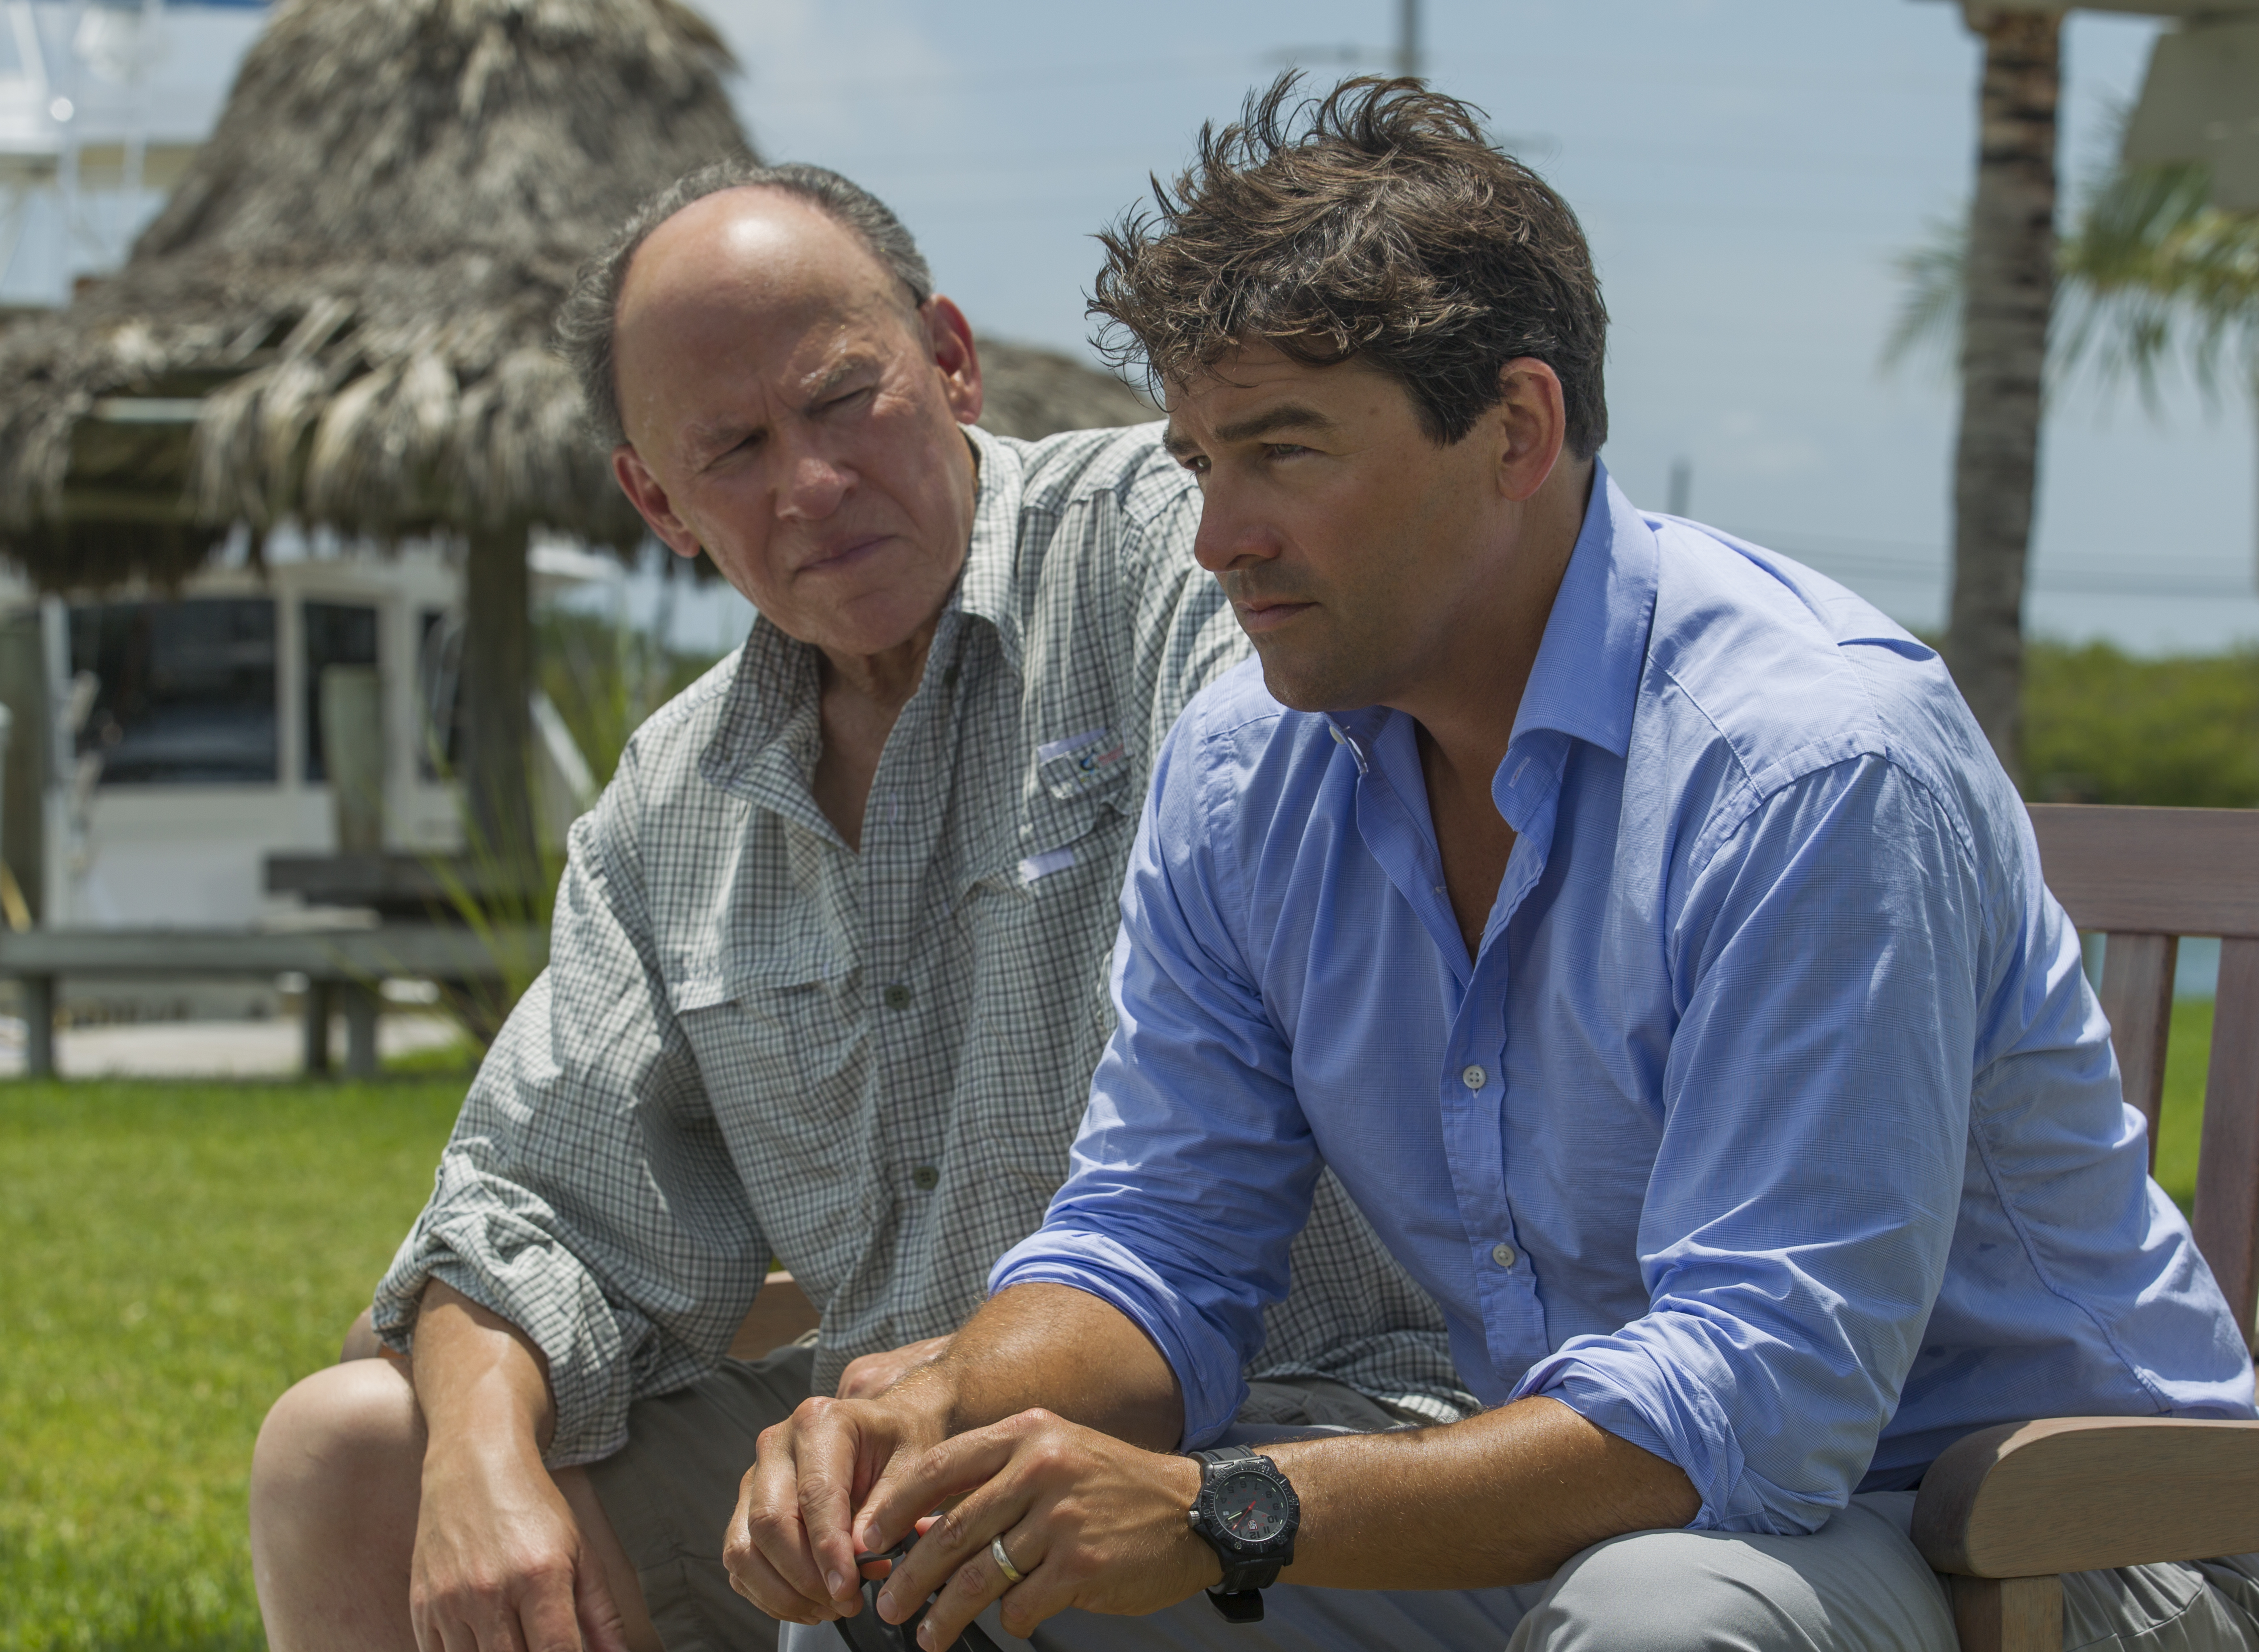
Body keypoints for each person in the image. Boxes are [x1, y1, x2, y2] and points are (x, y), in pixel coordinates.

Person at [728, 80, 2259, 1652]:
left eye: (1286, 453)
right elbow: (1160, 1240)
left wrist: (1226, 1514)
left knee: (1662, 1628)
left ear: (1516, 431)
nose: (1218, 536)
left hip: (2063, 1542)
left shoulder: (1808, 762)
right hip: (1615, 1512)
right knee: (941, 1569)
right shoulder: (1247, 773)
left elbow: (1762, 1393)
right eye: (1200, 463)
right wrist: (933, 1405)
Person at [245, 159, 1475, 1652]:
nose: (811, 485)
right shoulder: (676, 798)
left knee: (962, 1535)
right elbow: (528, 1208)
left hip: (1304, 1422)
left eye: (842, 400)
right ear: (659, 502)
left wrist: (912, 1427)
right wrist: (484, 1468)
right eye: (735, 448)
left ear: (948, 362)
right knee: (353, 1457)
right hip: (899, 1444)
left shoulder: (1175, 564)